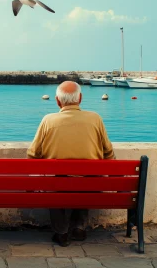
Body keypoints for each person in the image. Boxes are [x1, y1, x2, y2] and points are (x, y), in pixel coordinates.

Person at [27, 81, 115, 247]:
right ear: (80, 98)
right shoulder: (95, 119)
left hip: (57, 187)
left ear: (57, 101)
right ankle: (78, 227)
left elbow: (33, 154)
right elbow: (108, 153)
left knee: (55, 180)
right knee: (88, 177)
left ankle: (61, 232)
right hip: (90, 187)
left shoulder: (48, 120)